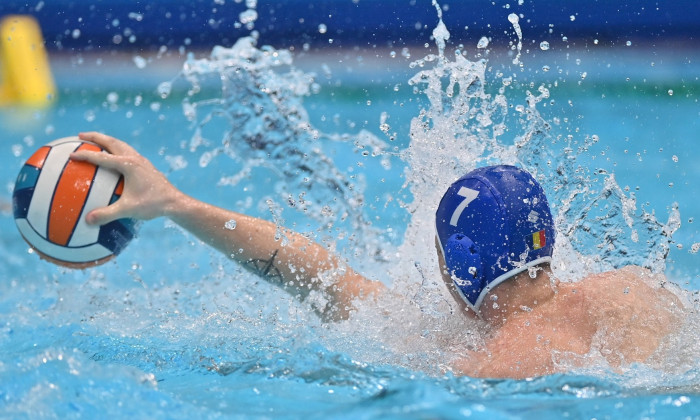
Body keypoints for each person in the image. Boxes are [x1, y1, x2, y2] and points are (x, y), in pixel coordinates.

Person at [70, 132, 684, 379]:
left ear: (460, 267)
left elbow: (300, 267)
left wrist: (177, 204)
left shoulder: (477, 366)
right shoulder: (638, 292)